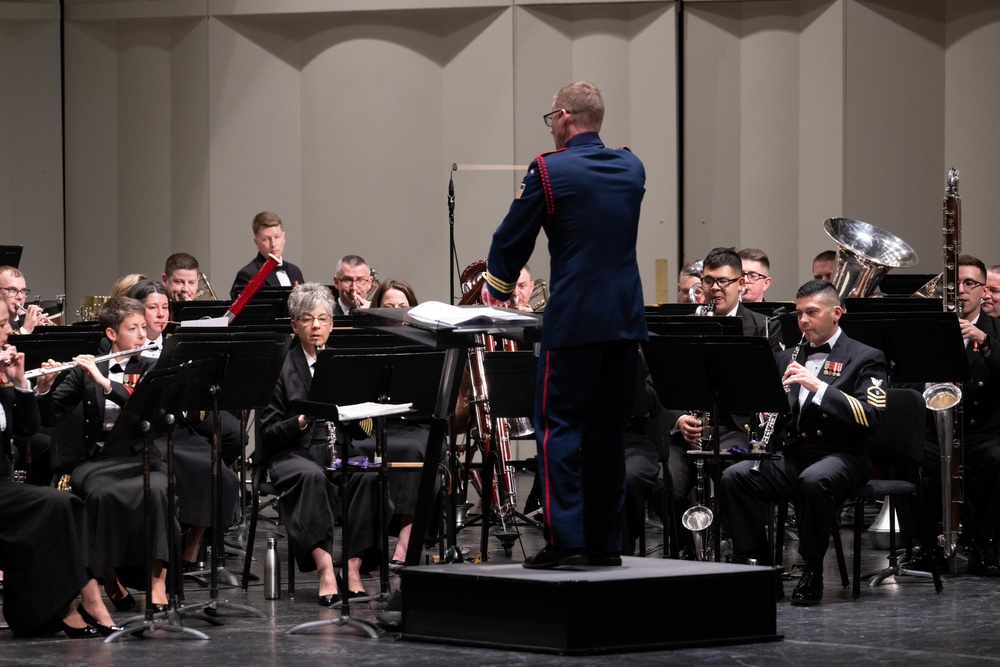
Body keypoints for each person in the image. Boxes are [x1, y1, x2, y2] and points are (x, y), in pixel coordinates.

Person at [482, 81, 647, 568]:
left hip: (574, 320)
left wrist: (496, 282)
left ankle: (565, 540)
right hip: (624, 321)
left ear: (564, 117)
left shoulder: (549, 171)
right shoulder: (632, 166)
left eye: (550, 117)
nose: (550, 126)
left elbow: (514, 234)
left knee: (560, 431)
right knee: (606, 434)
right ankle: (603, 543)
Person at [720, 279, 887, 605]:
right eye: (799, 315)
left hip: (844, 455)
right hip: (795, 453)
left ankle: (812, 569)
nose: (803, 322)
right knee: (735, 476)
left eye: (812, 313)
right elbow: (771, 417)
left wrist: (819, 388)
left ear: (836, 313)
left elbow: (872, 417)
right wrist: (767, 415)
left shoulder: (866, 357)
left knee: (814, 480)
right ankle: (760, 565)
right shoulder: (787, 358)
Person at [34, 297, 174, 612]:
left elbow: (145, 408)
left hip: (141, 456)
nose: (142, 335)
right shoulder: (87, 368)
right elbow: (49, 416)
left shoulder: (152, 365)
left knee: (161, 491)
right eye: (133, 329)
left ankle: (158, 583)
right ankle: (108, 577)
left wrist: (106, 384)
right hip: (96, 460)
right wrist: (43, 388)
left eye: (143, 328)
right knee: (98, 495)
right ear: (112, 334)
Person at [259, 283, 381, 604]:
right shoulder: (279, 368)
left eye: (324, 319)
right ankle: (326, 568)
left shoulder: (342, 364)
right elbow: (268, 431)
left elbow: (361, 433)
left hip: (337, 450)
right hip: (293, 453)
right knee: (311, 478)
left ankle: (351, 568)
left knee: (367, 476)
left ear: (332, 324)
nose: (316, 326)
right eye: (308, 319)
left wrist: (357, 415)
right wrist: (301, 419)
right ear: (294, 325)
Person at [124, 279, 241, 565]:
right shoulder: (128, 348)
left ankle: (192, 546)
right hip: (148, 433)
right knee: (173, 470)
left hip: (178, 426)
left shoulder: (179, 343)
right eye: (153, 308)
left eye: (165, 307)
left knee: (220, 473)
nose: (162, 314)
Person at [354, 278, 435, 567]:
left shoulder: (428, 342)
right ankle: (364, 547)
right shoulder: (366, 342)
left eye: (403, 306)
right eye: (389, 307)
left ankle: (405, 545)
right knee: (352, 450)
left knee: (414, 452)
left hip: (415, 426)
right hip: (374, 426)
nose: (397, 311)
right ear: (378, 310)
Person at [230, 211, 304, 299]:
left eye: (277, 237)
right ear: (256, 242)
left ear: (284, 237)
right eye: (266, 239)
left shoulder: (295, 271)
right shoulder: (247, 275)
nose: (273, 244)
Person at [0, 266, 48, 334]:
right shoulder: (26, 326)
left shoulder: (25, 322)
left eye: (23, 291)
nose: (20, 297)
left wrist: (38, 331)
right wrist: (25, 330)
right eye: (12, 290)